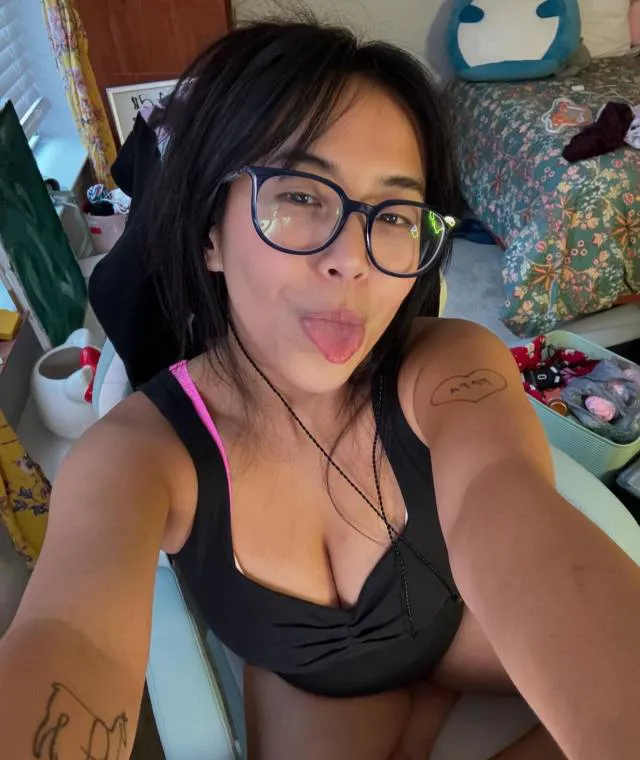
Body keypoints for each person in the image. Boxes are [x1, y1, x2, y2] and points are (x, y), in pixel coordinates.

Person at [1, 18, 640, 760]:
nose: (352, 260)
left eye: (393, 214)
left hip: (463, 633)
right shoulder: (136, 457)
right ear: (210, 232)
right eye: (302, 196)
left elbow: (514, 513)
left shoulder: (449, 367)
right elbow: (71, 637)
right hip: (321, 686)